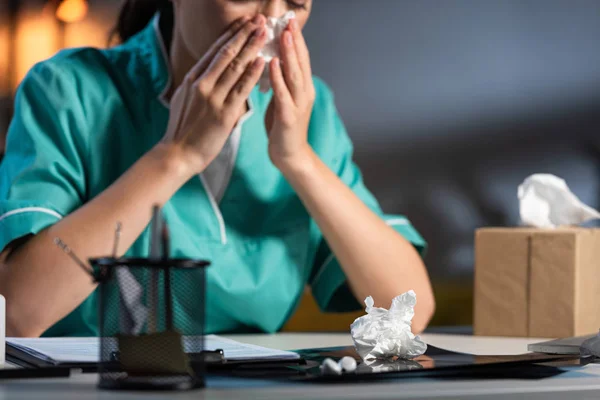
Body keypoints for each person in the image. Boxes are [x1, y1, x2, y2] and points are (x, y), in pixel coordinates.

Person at [0, 0, 435, 338]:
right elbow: (16, 312)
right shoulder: (68, 89)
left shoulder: (309, 112)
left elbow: (410, 311)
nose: (271, 25)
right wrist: (175, 156)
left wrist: (298, 159)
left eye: (296, 6)